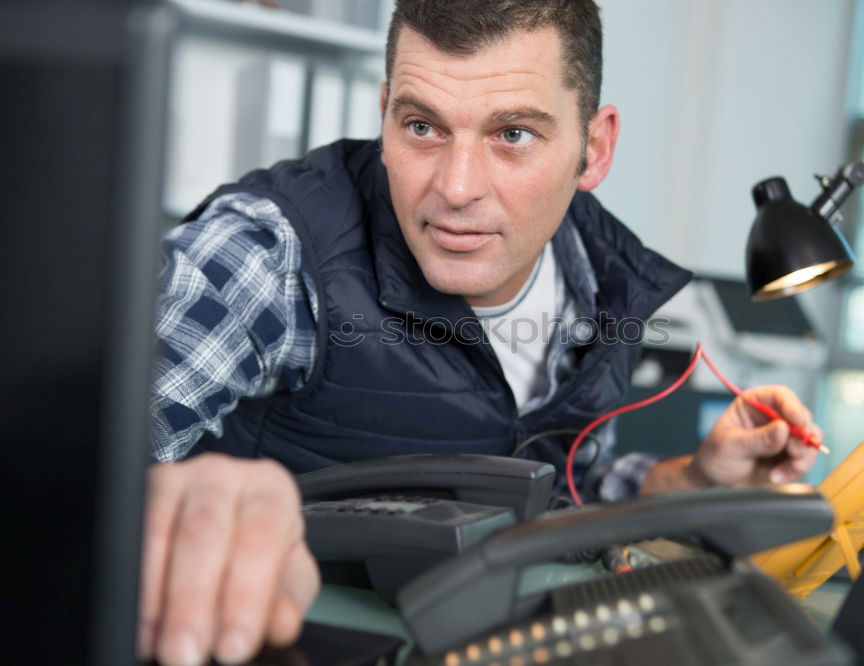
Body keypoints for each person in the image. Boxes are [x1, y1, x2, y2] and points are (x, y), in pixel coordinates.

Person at [139, 1, 822, 664]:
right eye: (423, 127)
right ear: (384, 119)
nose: (457, 188)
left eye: (512, 134)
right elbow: (60, 469)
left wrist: (696, 477)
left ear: (594, 147)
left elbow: (566, 491)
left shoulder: (605, 279)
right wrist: (162, 499)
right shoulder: (266, 252)